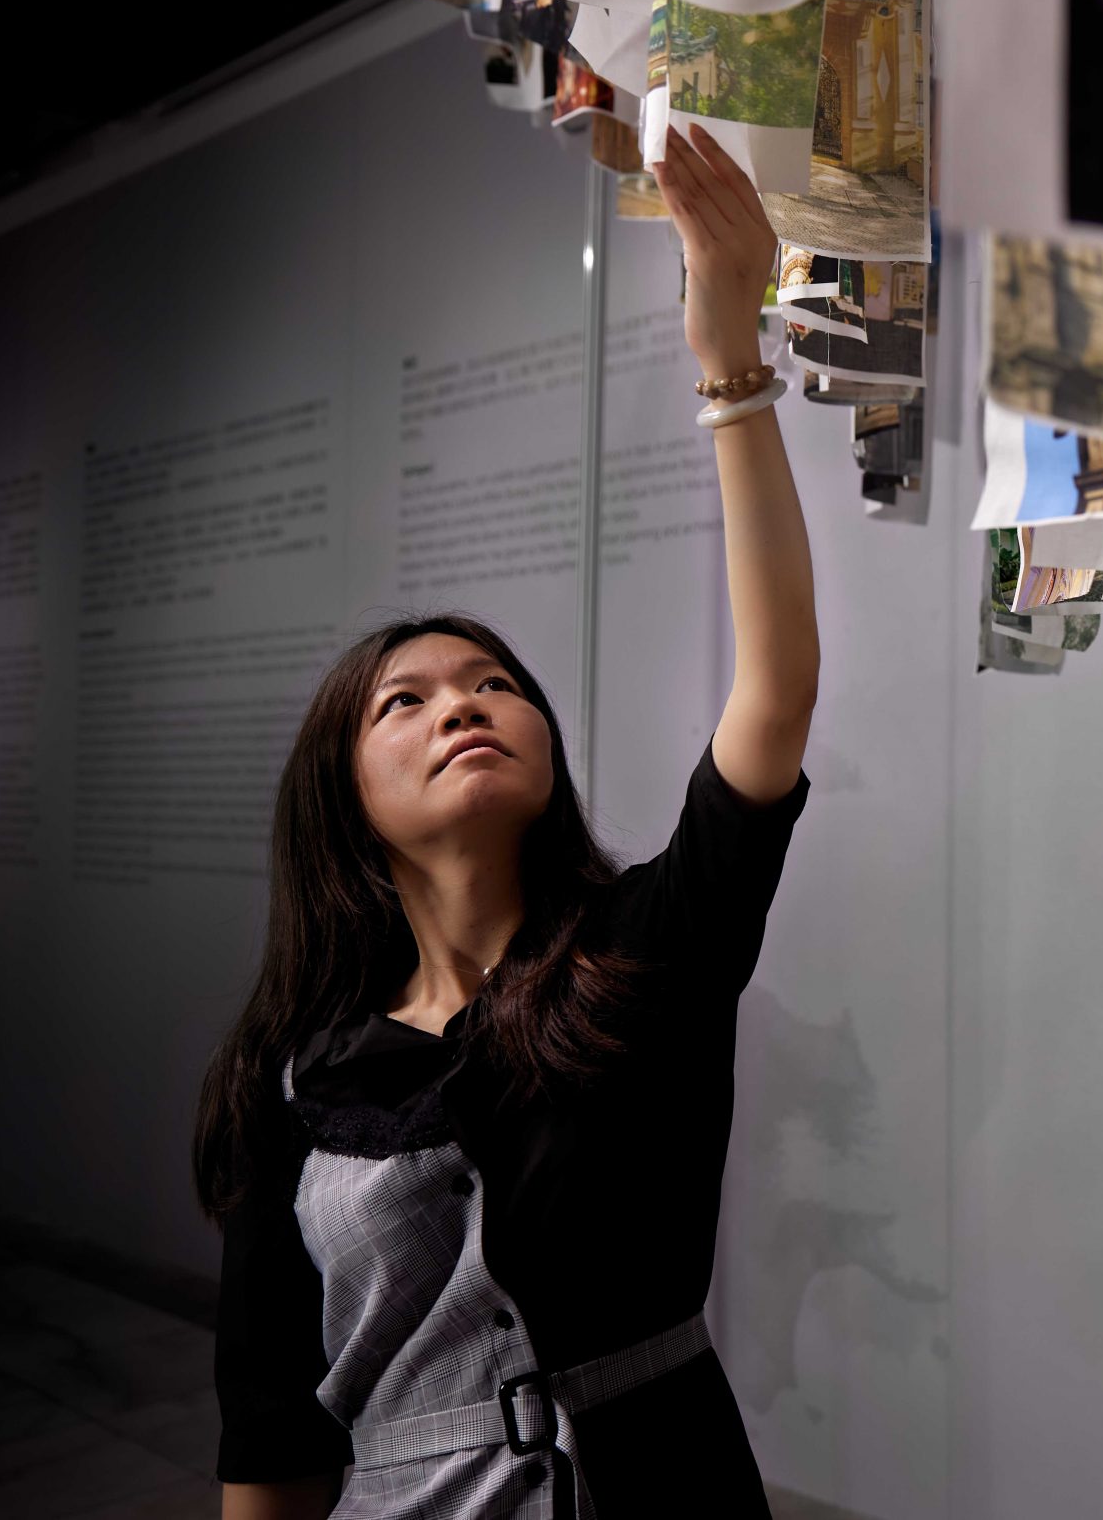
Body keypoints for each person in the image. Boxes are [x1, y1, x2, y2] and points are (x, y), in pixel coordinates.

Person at [194, 124, 818, 1519]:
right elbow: (268, 1436)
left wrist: (730, 357)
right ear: (341, 805)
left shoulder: (643, 953)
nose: (462, 704)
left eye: (491, 683)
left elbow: (774, 694)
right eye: (401, 703)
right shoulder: (288, 1082)